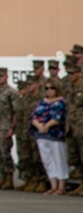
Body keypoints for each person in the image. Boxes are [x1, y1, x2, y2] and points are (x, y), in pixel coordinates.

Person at [31, 79, 69, 195]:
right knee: (47, 160)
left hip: (55, 134)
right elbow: (34, 116)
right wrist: (39, 125)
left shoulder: (61, 102)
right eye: (47, 88)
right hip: (42, 135)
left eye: (52, 88)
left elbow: (59, 117)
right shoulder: (41, 102)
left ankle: (61, 186)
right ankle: (53, 185)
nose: (49, 90)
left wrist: (47, 125)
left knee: (59, 159)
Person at [0, 67, 18, 189]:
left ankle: (9, 178)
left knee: (5, 152)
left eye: (2, 75)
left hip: (5, 126)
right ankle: (2, 176)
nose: (0, 77)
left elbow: (15, 111)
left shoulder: (11, 91)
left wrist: (12, 127)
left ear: (7, 76)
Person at [63, 63, 83, 195]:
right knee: (75, 157)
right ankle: (81, 183)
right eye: (68, 73)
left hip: (81, 126)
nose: (70, 76)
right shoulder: (69, 87)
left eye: (72, 73)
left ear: (78, 73)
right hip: (71, 126)